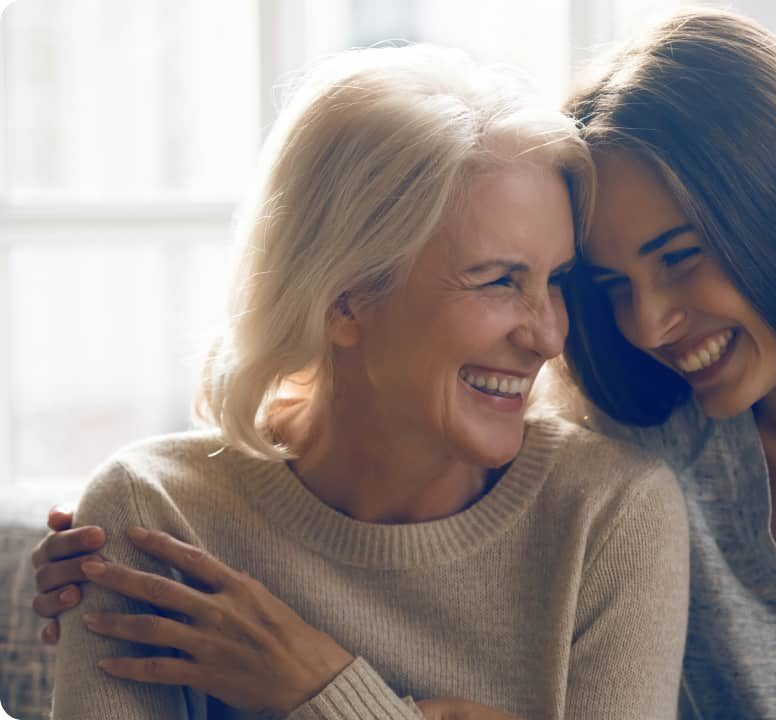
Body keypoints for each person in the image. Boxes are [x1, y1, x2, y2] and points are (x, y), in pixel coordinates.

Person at [32, 8, 776, 720]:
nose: (643, 324)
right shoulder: (644, 433)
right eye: (606, 285)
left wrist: (329, 692)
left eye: (680, 257)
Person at [32, 43, 689, 720]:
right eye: (499, 281)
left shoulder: (610, 513)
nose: (549, 338)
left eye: (555, 281)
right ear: (344, 299)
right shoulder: (154, 515)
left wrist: (321, 693)